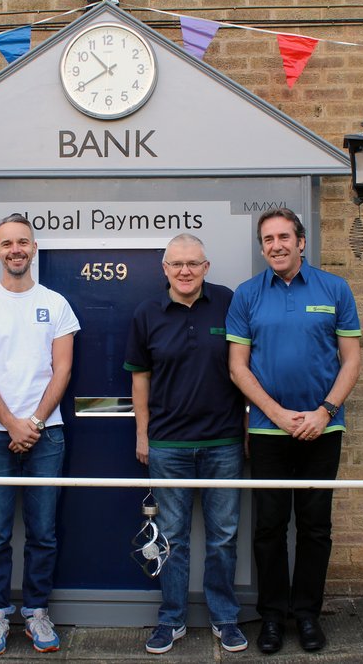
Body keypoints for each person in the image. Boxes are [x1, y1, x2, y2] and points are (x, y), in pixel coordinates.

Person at [226, 208, 361, 655]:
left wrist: (324, 411)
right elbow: (238, 368)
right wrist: (277, 415)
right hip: (268, 431)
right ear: (262, 246)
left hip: (324, 428)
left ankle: (306, 615)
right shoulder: (247, 295)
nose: (276, 245)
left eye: (284, 236)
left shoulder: (334, 289)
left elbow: (352, 360)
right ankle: (272, 617)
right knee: (268, 526)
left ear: (301, 242)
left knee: (315, 525)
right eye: (268, 239)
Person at [124, 233, 248, 654]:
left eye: (193, 263)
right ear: (164, 270)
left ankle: (225, 618)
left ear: (206, 267)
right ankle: (171, 619)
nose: (185, 271)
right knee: (170, 537)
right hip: (168, 445)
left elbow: (245, 365)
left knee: (223, 536)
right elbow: (139, 377)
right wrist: (143, 433)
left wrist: (248, 426)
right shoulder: (146, 314)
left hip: (224, 442)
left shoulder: (229, 303)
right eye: (176, 264)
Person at [0, 213, 80, 656]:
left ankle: (35, 612)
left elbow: (62, 368)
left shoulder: (57, 303)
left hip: (46, 437)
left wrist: (32, 424)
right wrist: (12, 424)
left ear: (33, 248)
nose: (15, 249)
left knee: (43, 532)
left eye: (23, 242)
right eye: (7, 243)